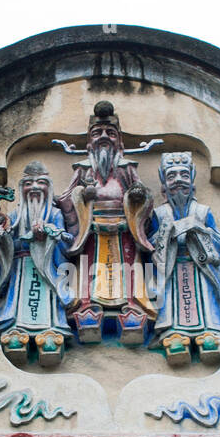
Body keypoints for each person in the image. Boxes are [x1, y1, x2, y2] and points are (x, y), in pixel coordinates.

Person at [54, 101, 157, 345]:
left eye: (110, 133)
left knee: (129, 271)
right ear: (89, 141)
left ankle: (132, 310)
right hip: (91, 230)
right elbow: (65, 199)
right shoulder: (82, 169)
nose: (103, 137)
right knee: (88, 273)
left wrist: (137, 198)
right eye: (97, 133)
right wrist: (82, 197)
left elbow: (144, 197)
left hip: (124, 230)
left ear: (119, 141)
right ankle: (88, 310)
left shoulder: (126, 168)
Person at [0, 160, 74, 366]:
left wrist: (48, 236)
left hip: (45, 269)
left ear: (48, 187)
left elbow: (66, 244)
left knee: (48, 308)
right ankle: (15, 334)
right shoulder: (14, 215)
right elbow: (5, 240)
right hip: (21, 268)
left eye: (41, 182)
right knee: (16, 305)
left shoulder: (54, 214)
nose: (35, 187)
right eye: (29, 183)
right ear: (22, 188)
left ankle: (50, 335)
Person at [146, 151, 220, 365]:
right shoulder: (160, 214)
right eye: (171, 176)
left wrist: (200, 231)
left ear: (192, 180)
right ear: (164, 184)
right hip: (172, 267)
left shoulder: (203, 211)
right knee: (172, 301)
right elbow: (150, 244)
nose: (178, 181)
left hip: (200, 268)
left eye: (184, 175)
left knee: (205, 300)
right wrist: (166, 235)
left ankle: (211, 333)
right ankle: (173, 335)